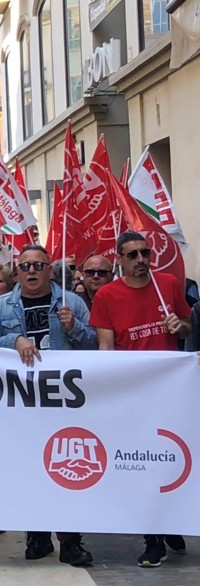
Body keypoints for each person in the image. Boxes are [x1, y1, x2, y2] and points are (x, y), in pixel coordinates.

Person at [0, 245, 96, 567]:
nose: (31, 271)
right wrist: (13, 341)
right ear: (16, 271)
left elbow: (94, 347)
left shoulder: (72, 302)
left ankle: (71, 541)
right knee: (30, 467)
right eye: (25, 266)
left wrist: (73, 327)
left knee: (64, 467)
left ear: (49, 269)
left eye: (38, 265)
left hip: (64, 401)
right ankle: (37, 535)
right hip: (20, 401)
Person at [90, 231, 192, 568]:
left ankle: (170, 523)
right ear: (119, 258)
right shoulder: (107, 295)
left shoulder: (168, 286)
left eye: (144, 253)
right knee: (144, 463)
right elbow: (106, 347)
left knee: (173, 458)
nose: (140, 260)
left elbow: (188, 329)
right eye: (132, 255)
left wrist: (181, 327)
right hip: (133, 393)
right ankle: (154, 538)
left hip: (170, 390)